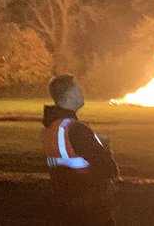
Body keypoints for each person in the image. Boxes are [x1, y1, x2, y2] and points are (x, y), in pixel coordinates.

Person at [42, 74, 119, 225]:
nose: (82, 92)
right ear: (69, 95)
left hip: (67, 205)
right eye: (78, 89)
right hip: (90, 209)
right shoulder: (76, 129)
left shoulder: (53, 127)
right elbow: (110, 170)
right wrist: (104, 147)